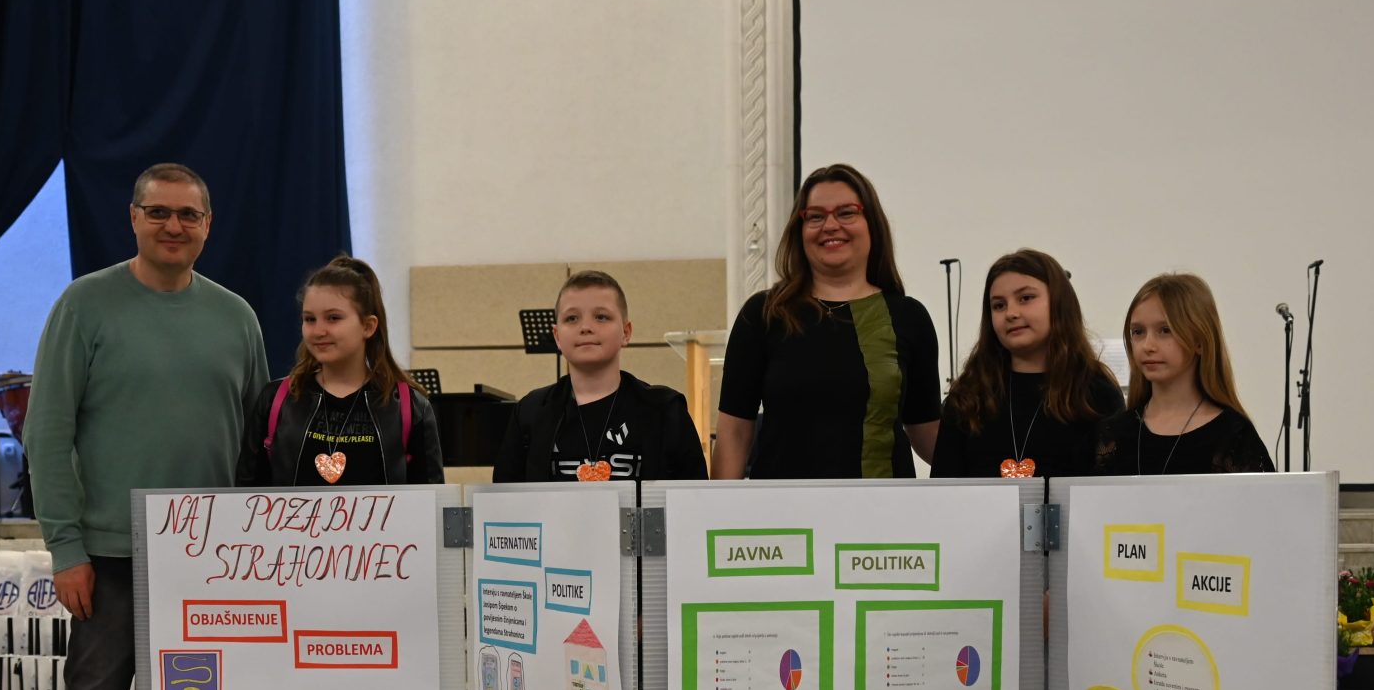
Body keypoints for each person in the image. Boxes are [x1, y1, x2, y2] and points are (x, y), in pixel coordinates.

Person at [26, 162, 270, 690]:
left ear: (208, 224)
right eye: (159, 212)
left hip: (212, 565)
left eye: (188, 215)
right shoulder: (85, 305)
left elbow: (259, 441)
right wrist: (66, 547)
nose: (173, 226)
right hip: (110, 560)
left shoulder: (236, 317)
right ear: (133, 218)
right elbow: (47, 431)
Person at [712, 164, 940, 479]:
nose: (830, 225)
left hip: (882, 505)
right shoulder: (764, 313)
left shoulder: (908, 317)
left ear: (872, 224)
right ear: (800, 229)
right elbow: (734, 432)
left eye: (846, 213)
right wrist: (721, 504)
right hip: (782, 507)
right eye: (815, 216)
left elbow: (927, 431)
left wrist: (996, 465)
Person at [240, 256, 445, 487]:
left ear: (368, 326)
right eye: (310, 319)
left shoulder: (411, 407)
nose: (319, 331)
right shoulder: (274, 399)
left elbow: (431, 500)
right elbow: (246, 495)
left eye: (333, 318)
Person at [491, 270, 707, 482]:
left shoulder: (665, 410)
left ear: (626, 332)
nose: (586, 327)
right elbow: (504, 499)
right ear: (557, 336)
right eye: (572, 318)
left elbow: (693, 497)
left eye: (601, 317)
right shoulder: (530, 412)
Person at [931, 249, 1122, 479]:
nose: (1011, 313)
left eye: (1026, 298)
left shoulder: (1096, 394)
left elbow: (1110, 489)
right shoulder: (968, 397)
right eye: (999, 305)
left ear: (1059, 303)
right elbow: (943, 489)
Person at [1093, 274, 1274, 475]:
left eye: (1165, 330)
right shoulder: (1114, 435)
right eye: (1138, 332)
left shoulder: (1233, 435)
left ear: (1199, 341)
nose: (1148, 345)